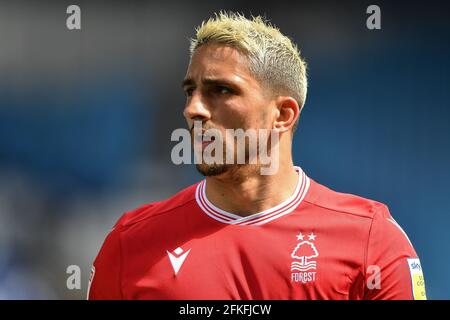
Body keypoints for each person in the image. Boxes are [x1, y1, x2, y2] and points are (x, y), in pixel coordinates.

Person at [88, 12, 426, 300]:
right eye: (191, 91)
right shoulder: (130, 242)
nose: (193, 109)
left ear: (282, 115)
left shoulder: (371, 241)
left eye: (221, 90)